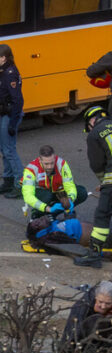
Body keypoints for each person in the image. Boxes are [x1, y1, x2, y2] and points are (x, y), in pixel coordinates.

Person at [76, 106, 112, 267]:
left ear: (92, 120)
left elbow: (97, 164)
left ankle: (94, 255)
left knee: (102, 215)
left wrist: (103, 182)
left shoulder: (95, 134)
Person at [0, 44, 24, 198]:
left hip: (10, 115)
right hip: (5, 114)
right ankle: (8, 181)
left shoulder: (10, 74)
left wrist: (12, 123)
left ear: (3, 58)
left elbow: (17, 100)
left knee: (9, 150)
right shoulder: (5, 71)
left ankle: (19, 184)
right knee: (4, 149)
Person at [21, 145, 87, 219]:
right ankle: (37, 214)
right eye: (46, 164)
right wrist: (48, 208)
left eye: (52, 163)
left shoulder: (62, 164)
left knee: (81, 193)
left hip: (57, 189)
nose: (50, 167)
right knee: (47, 195)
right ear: (40, 160)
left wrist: (70, 199)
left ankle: (54, 214)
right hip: (41, 193)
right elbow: (28, 196)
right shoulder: (31, 169)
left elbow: (69, 185)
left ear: (54, 158)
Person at [64, 281, 112, 353]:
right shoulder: (83, 307)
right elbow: (73, 333)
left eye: (108, 303)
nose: (103, 306)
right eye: (100, 302)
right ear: (96, 297)